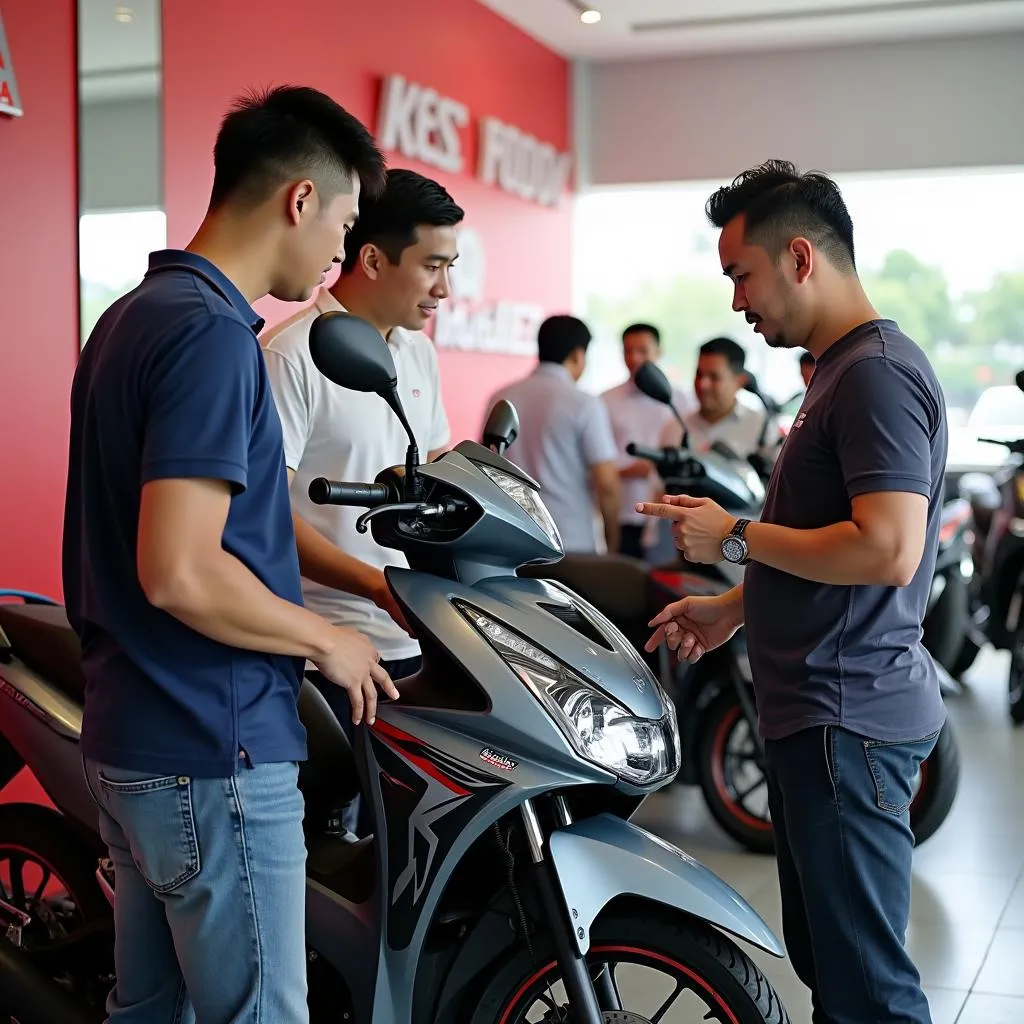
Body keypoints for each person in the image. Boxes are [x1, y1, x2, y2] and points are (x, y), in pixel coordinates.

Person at [62, 86, 398, 1024]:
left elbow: (193, 542)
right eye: (343, 222)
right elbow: (179, 567)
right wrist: (324, 640)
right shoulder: (213, 337)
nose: (341, 254)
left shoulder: (134, 316)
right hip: (210, 745)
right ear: (300, 199)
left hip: (135, 739)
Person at [639, 159, 947, 1024]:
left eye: (743, 274)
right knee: (832, 971)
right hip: (817, 714)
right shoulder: (836, 372)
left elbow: (887, 548)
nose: (737, 301)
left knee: (868, 992)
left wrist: (732, 536)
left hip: (845, 716)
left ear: (801, 257)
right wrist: (736, 607)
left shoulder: (876, 374)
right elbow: (828, 536)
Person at [261, 167, 459, 833]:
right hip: (321, 649)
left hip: (411, 634)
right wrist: (374, 587)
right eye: (433, 266)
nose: (444, 288)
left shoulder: (417, 353)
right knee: (329, 834)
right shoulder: (289, 356)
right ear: (372, 258)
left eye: (450, 267)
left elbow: (431, 471)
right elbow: (264, 515)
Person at [485, 315, 620, 553]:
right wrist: (613, 542)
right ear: (578, 355)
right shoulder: (584, 403)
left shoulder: (501, 397)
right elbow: (607, 483)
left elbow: (486, 465)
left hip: (511, 537)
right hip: (569, 541)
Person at [601, 322, 696, 559]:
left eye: (642, 350)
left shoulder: (681, 400)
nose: (634, 358)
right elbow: (596, 461)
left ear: (659, 351)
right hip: (625, 509)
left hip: (671, 509)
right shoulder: (605, 400)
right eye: (627, 351)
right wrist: (626, 470)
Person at [656, 335, 782, 464]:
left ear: (740, 381)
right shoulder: (675, 428)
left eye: (714, 377)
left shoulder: (763, 428)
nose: (703, 384)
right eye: (699, 374)